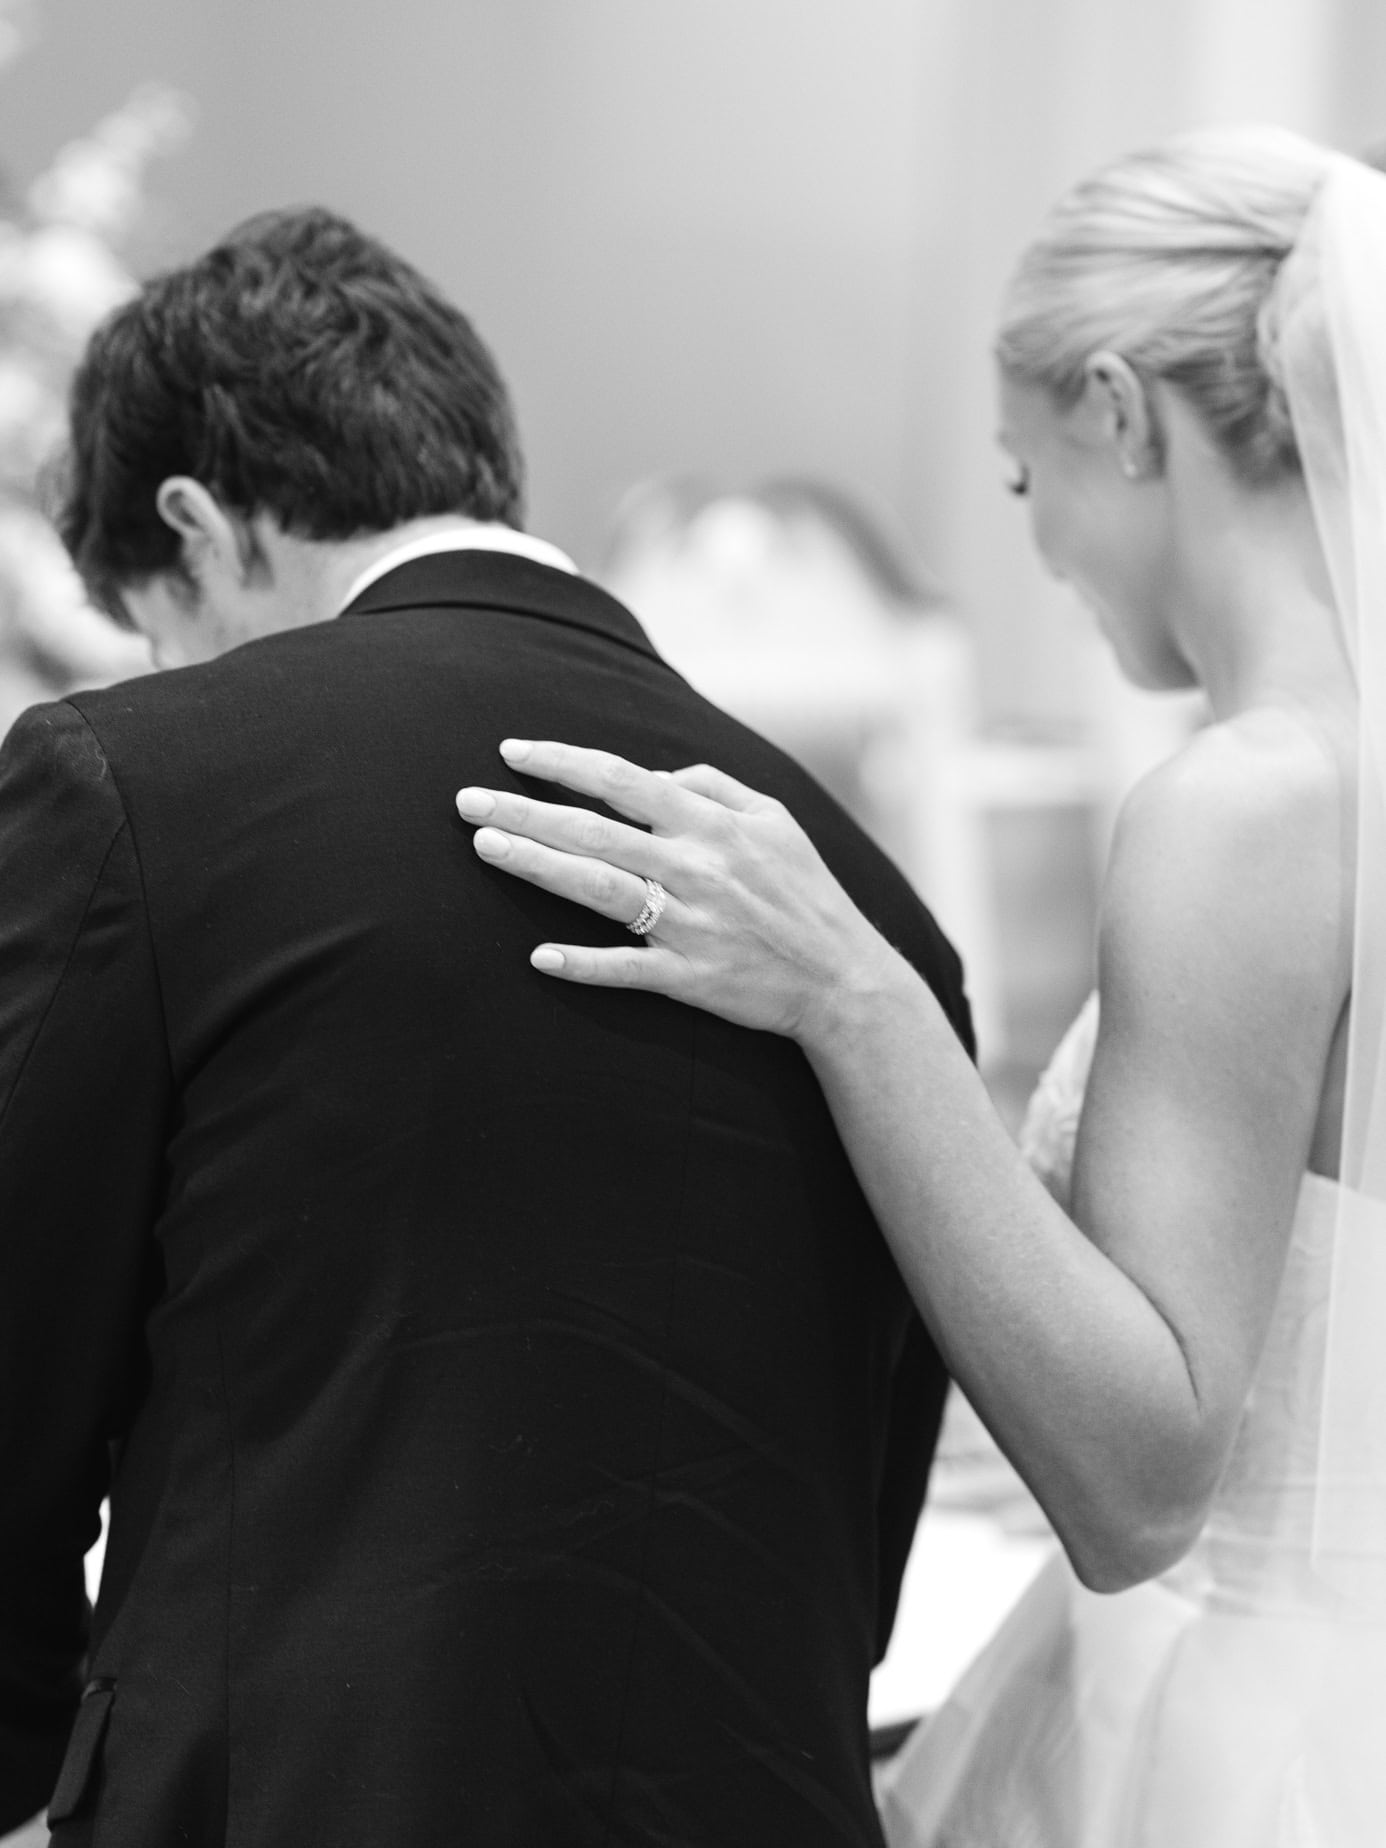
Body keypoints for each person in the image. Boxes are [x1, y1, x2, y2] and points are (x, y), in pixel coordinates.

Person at [453, 125, 1386, 1844]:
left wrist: (849, 992)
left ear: (1118, 409)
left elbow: (1134, 1481)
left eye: (1029, 485)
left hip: (1239, 1738)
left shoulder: (1248, 807)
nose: (1037, 555)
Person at [0, 207, 973, 1845]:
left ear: (199, 526)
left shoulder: (139, 785)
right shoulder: (855, 894)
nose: (171, 675)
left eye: (159, 628)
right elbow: (853, 1523)